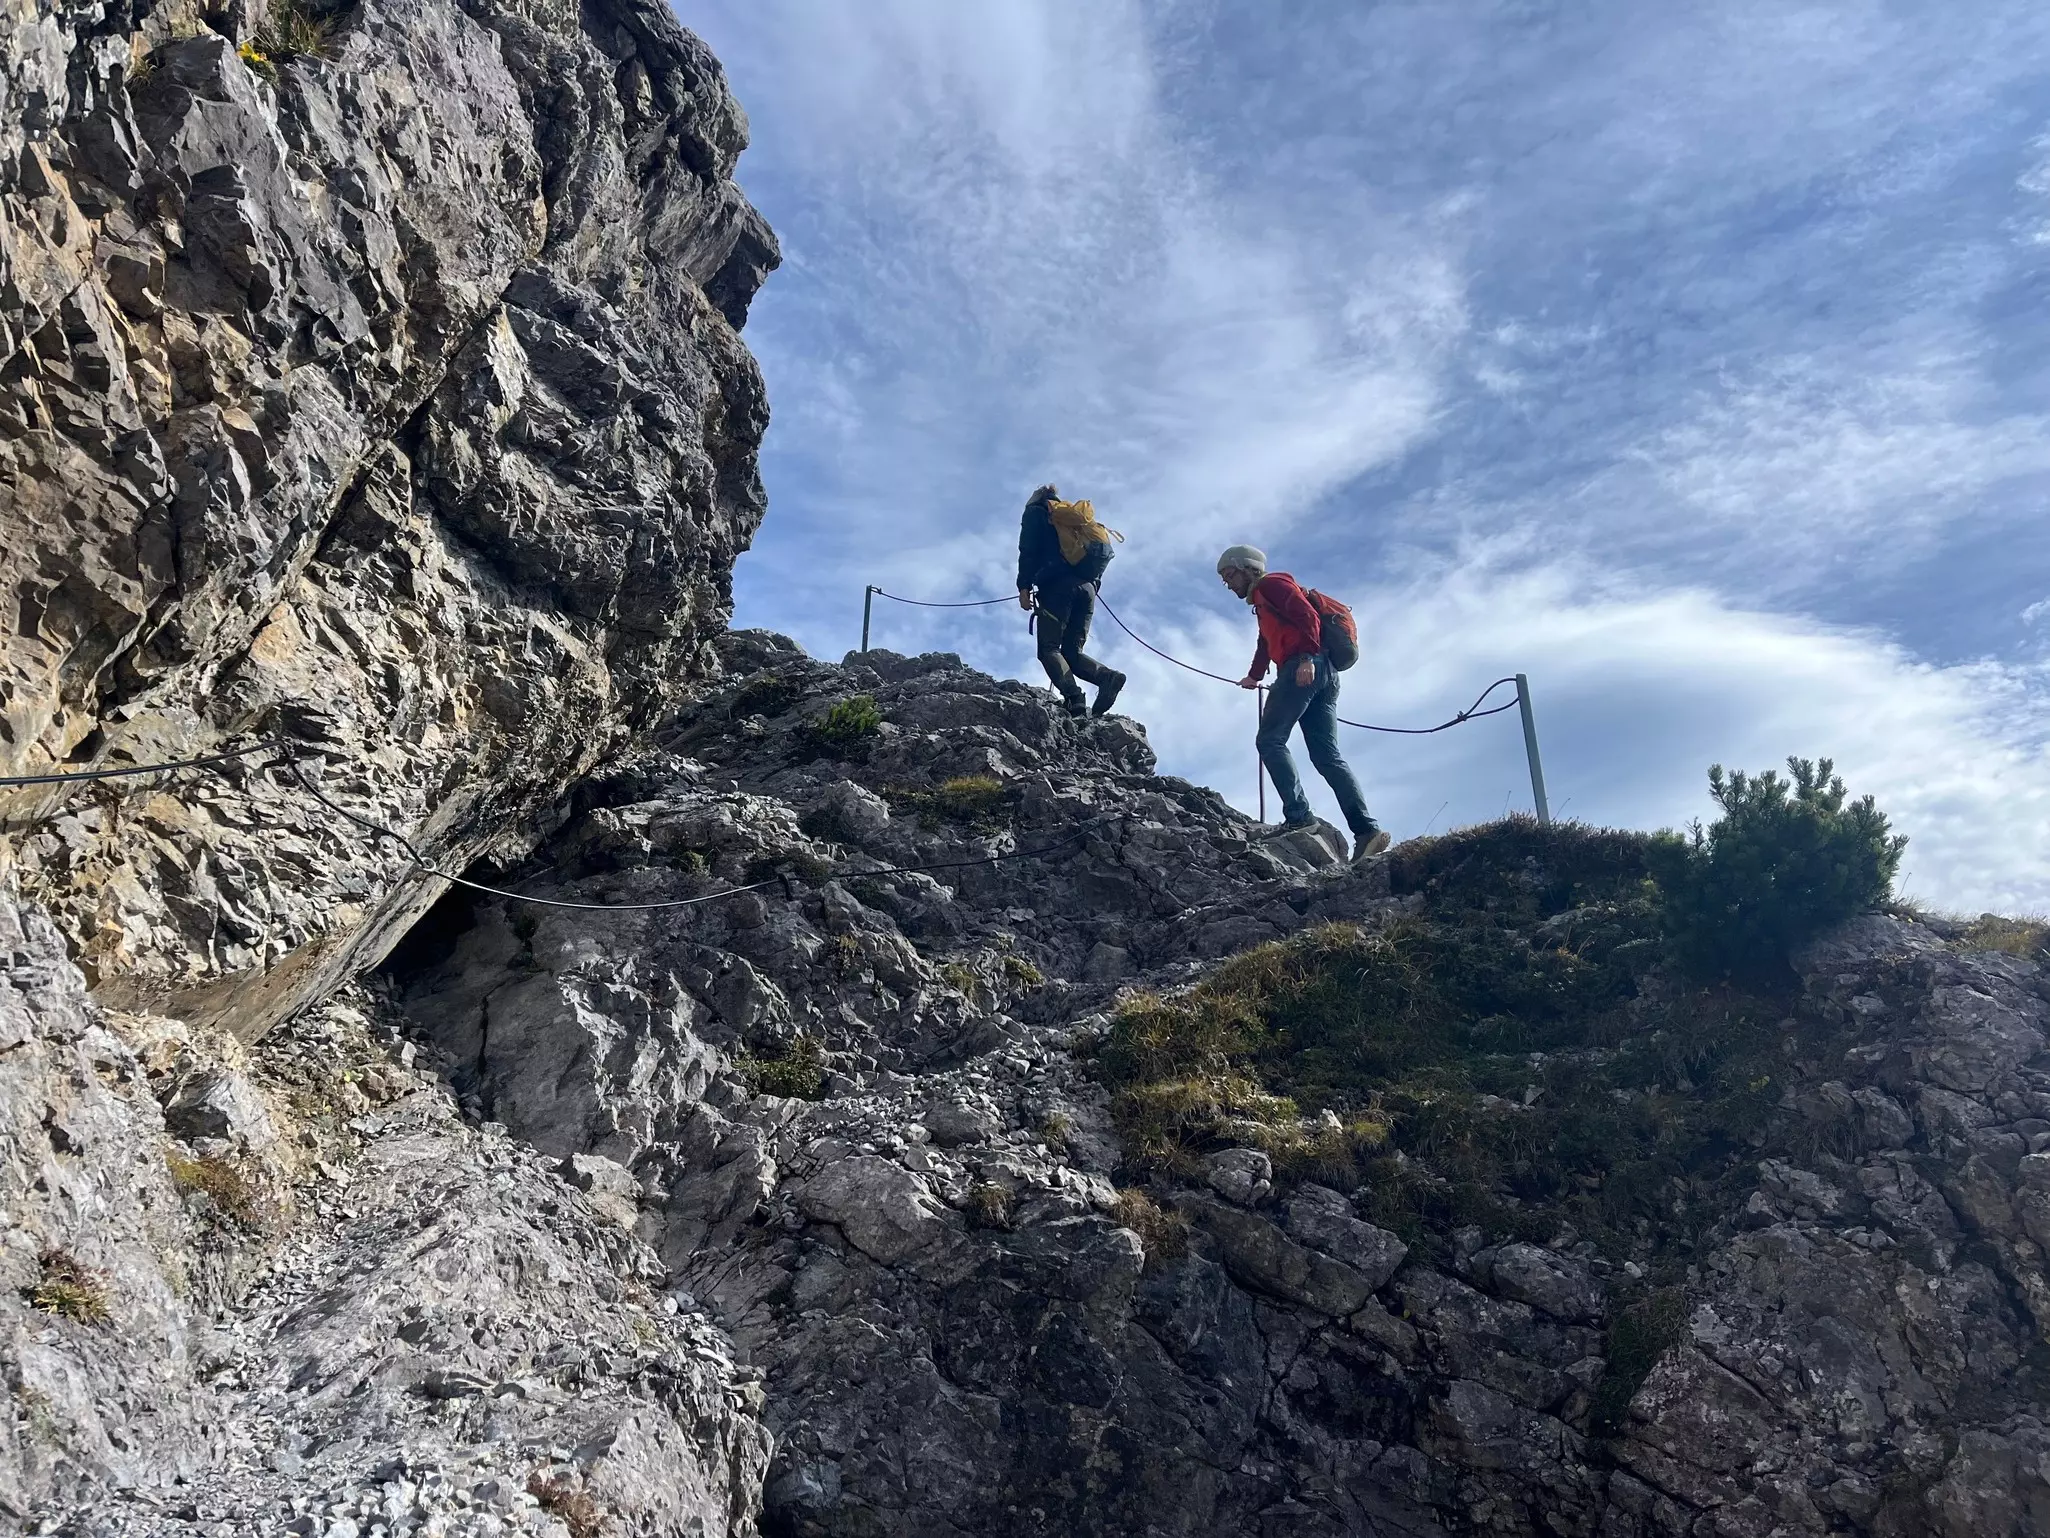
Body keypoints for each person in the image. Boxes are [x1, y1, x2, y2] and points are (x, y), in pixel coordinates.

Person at [1216, 544, 1389, 862]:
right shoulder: (1263, 602)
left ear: (1248, 569)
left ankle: (1299, 817)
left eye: (1230, 575)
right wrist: (1254, 676)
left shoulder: (1271, 585)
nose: (1227, 583)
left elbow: (1307, 616)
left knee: (1270, 740)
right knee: (1327, 756)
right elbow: (1265, 642)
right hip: (1326, 675)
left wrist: (1307, 657)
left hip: (1303, 667)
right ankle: (1367, 831)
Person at [1017, 484, 1126, 718]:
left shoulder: (1036, 512)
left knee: (1049, 649)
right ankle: (1107, 677)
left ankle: (1074, 698)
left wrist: (1023, 587)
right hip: (1088, 590)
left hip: (1057, 588)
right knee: (1071, 652)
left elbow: (1028, 550)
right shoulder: (1074, 521)